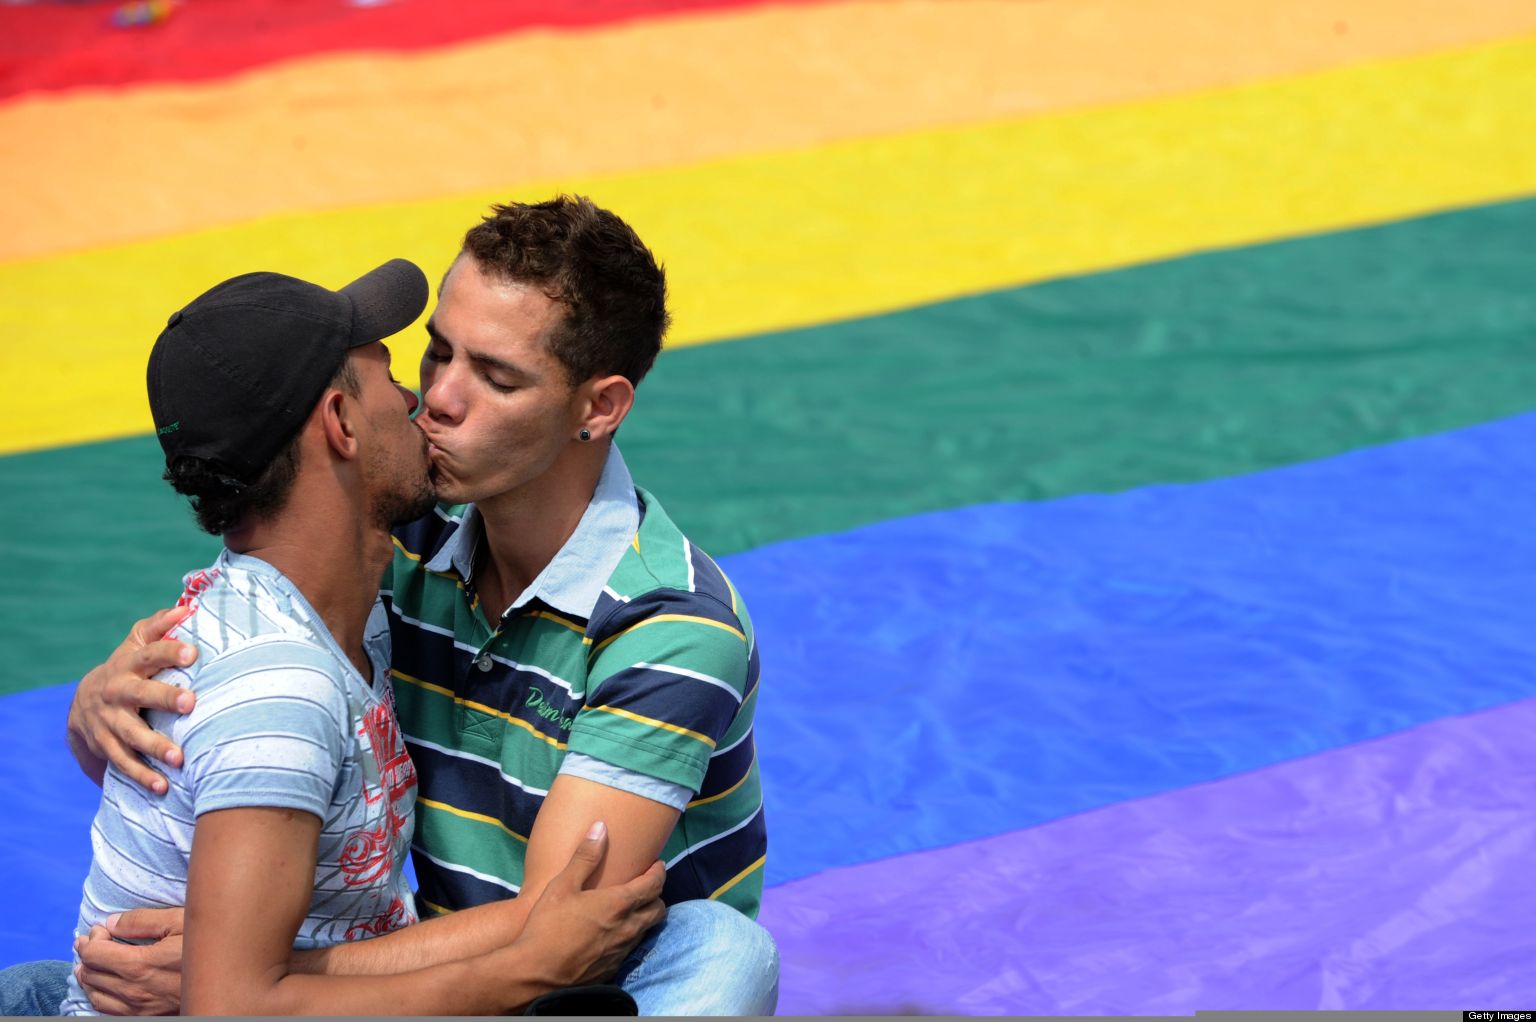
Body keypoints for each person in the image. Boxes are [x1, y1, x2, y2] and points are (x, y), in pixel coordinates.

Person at [50, 197, 776, 1015]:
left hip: (573, 982)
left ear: (599, 407)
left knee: (722, 953)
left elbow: (559, 936)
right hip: (405, 967)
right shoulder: (391, 544)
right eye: (433, 355)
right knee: (62, 982)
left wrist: (243, 970)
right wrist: (101, 700)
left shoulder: (669, 626)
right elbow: (238, 690)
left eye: (496, 377)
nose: (437, 400)